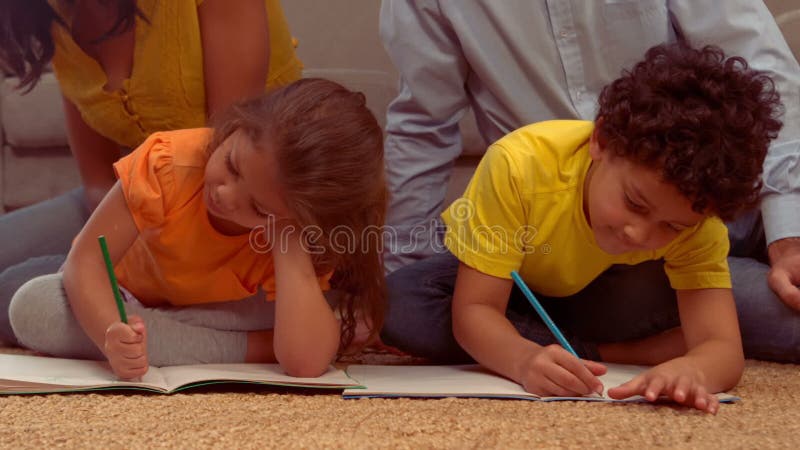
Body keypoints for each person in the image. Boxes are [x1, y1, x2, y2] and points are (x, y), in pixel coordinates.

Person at [380, 0, 800, 363]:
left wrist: (789, 234)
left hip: (716, 202)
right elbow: (423, 128)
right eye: (635, 204)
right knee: (404, 303)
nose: (640, 228)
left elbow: (770, 76)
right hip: (592, 259)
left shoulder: (684, 219)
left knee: (765, 305)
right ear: (600, 139)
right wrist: (396, 274)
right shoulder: (520, 167)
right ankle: (619, 349)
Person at [8, 78, 388, 379]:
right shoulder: (169, 164)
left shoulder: (291, 226)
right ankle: (253, 347)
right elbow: (87, 261)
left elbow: (304, 363)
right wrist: (112, 334)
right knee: (33, 305)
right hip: (128, 297)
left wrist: (288, 241)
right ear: (239, 126)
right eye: (233, 165)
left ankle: (180, 337)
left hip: (225, 308)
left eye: (256, 206)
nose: (224, 194)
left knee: (316, 320)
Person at [0, 0, 303, 345]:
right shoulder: (50, 11)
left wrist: (137, 274)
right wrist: (110, 266)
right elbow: (99, 183)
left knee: (23, 294)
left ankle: (207, 340)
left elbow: (231, 156)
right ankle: (176, 326)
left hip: (233, 215)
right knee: (13, 290)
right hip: (136, 199)